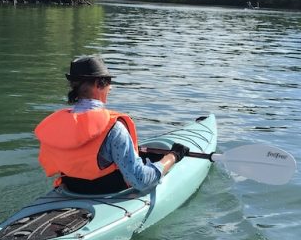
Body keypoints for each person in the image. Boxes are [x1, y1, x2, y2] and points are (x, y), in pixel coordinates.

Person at [34, 56, 189, 194]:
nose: (111, 87)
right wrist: (172, 156)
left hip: (71, 189)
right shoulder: (114, 128)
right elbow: (140, 181)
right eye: (108, 82)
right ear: (97, 84)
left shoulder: (57, 124)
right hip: (108, 193)